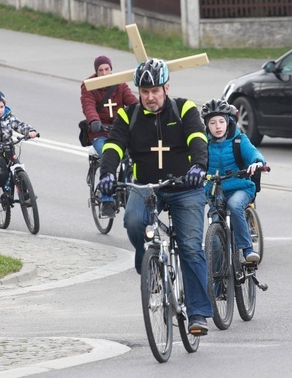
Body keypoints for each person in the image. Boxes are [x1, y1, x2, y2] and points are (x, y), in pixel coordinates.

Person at [98, 58, 213, 334]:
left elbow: (198, 138)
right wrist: (107, 173)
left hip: (185, 186)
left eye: (155, 91)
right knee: (133, 221)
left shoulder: (184, 108)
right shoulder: (129, 115)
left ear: (166, 88)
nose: (150, 97)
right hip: (147, 187)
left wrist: (199, 166)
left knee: (189, 247)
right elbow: (114, 145)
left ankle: (197, 313)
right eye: (145, 91)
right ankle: (145, 255)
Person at [202, 99, 266, 264]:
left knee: (235, 205)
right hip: (215, 190)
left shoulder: (239, 140)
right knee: (214, 233)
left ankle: (247, 249)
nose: (218, 126)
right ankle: (216, 283)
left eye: (221, 121)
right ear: (206, 125)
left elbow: (253, 153)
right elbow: (194, 161)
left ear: (228, 121)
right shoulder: (203, 144)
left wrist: (257, 162)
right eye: (212, 122)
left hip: (240, 187)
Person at [80, 55, 138, 156]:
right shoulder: (89, 85)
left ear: (111, 69)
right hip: (100, 131)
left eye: (107, 69)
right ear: (96, 72)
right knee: (108, 157)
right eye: (100, 70)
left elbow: (131, 101)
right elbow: (88, 105)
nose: (104, 73)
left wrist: (142, 111)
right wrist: (94, 120)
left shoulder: (120, 84)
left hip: (119, 129)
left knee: (133, 155)